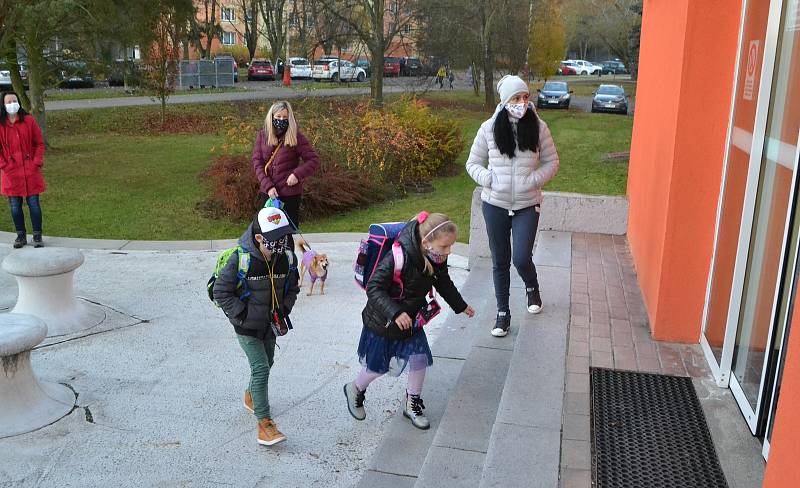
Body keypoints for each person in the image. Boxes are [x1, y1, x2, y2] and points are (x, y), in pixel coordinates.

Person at [343, 212, 476, 430]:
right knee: (377, 368)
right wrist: (395, 313)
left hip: (412, 320)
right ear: (425, 242)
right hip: (384, 322)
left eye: (450, 246)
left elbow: (443, 281)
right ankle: (355, 388)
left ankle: (412, 402)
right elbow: (374, 288)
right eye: (445, 247)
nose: (448, 251)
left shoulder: (436, 256)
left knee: (419, 359)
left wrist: (460, 305)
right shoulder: (397, 256)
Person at [465, 75, 559, 338]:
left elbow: (552, 162)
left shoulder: (539, 127)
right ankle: (503, 313)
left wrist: (533, 180)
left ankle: (532, 287)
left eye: (525, 97)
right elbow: (472, 163)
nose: (522, 103)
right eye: (516, 98)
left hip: (527, 204)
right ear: (505, 101)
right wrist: (488, 179)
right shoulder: (488, 128)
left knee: (520, 258)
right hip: (494, 203)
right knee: (500, 261)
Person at [213, 206, 300, 446]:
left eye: (285, 236)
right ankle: (265, 424)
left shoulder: (287, 258)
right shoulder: (240, 259)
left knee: (268, 362)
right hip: (246, 325)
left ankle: (251, 395)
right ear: (260, 237)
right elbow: (221, 291)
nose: (283, 242)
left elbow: (293, 287)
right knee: (261, 367)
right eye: (277, 238)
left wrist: (284, 309)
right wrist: (243, 314)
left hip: (271, 323)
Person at [251, 100, 319, 228]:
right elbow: (257, 162)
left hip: (290, 195)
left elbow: (313, 160)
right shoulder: (263, 135)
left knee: (288, 233)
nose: (281, 120)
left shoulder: (296, 137)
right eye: (278, 117)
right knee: (267, 232)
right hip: (269, 194)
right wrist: (268, 186)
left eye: (285, 117)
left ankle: (289, 249)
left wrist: (297, 175)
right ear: (272, 117)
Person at [0, 92, 45, 248]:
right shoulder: (1, 125)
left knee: (34, 204)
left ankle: (37, 235)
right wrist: (5, 166)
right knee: (15, 206)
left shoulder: (29, 121)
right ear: (3, 105)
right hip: (11, 174)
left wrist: (36, 162)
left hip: (30, 171)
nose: (12, 103)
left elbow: (39, 143)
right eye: (8, 101)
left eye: (14, 100)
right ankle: (20, 236)